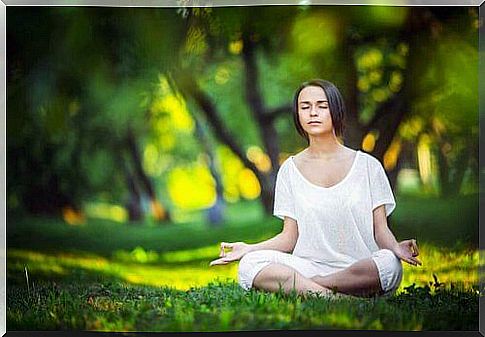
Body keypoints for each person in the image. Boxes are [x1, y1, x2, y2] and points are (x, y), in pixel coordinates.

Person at [210, 79, 421, 298]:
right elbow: (288, 237)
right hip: (310, 265)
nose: (313, 113)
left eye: (322, 106)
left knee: (390, 264)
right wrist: (248, 248)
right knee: (249, 265)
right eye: (305, 107)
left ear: (336, 111)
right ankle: (336, 298)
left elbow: (380, 229)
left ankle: (311, 286)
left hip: (362, 267)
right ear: (298, 115)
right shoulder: (289, 170)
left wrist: (396, 248)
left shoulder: (368, 166)